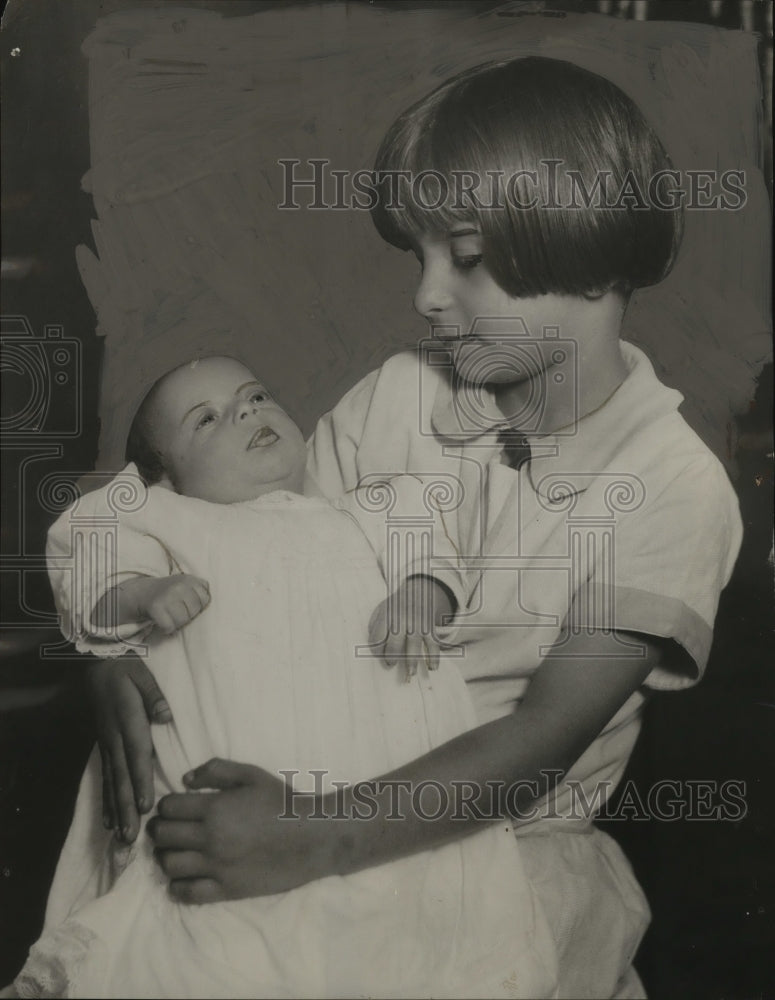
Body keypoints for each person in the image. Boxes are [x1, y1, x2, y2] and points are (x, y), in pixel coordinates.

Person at [53, 57, 743, 998]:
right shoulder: (402, 395)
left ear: (583, 245)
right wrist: (116, 655)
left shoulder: (670, 484)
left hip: (495, 847)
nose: (424, 295)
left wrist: (312, 836)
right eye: (416, 258)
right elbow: (257, 543)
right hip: (300, 796)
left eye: (462, 257)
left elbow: (540, 740)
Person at [14, 356, 556, 998]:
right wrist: (141, 593)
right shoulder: (169, 523)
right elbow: (87, 563)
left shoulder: (367, 510)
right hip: (242, 784)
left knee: (410, 928)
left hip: (371, 777)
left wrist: (422, 593)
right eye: (207, 420)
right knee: (214, 950)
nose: (246, 411)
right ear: (165, 482)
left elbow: (432, 543)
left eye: (256, 394)